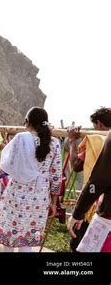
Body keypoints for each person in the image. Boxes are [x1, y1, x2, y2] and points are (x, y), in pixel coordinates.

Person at [0, 107, 62, 252]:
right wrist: (54, 203)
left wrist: (5, 148)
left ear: (27, 122)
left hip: (17, 192)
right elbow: (56, 175)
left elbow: (7, 164)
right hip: (40, 197)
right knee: (28, 235)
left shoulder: (21, 138)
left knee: (10, 231)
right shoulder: (54, 143)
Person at [67, 107, 111, 251]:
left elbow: (77, 165)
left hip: (95, 204)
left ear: (98, 123)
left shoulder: (96, 141)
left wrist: (72, 141)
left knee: (79, 242)